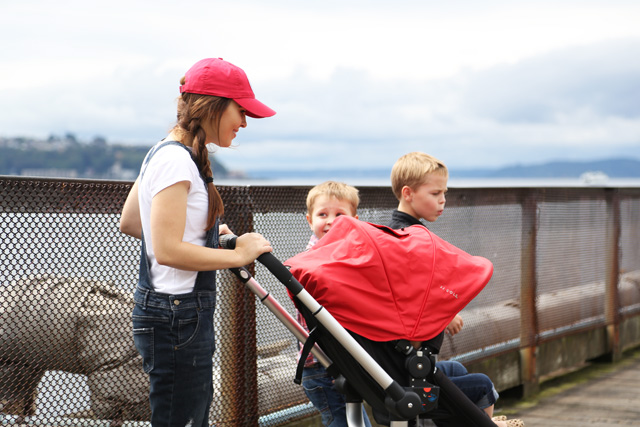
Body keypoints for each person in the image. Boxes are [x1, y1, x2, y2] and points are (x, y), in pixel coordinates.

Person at [119, 58, 275, 427]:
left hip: (169, 313)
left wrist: (203, 236)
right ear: (214, 105)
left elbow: (132, 222)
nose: (245, 123)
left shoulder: (163, 151)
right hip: (178, 316)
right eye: (241, 111)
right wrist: (239, 254)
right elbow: (168, 250)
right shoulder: (177, 161)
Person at [388, 151, 524, 427]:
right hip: (409, 368)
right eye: (435, 193)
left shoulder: (393, 233)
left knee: (458, 370)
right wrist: (445, 314)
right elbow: (411, 292)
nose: (443, 201)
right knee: (483, 385)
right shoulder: (411, 238)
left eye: (445, 193)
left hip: (402, 361)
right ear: (408, 193)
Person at [297, 181, 373, 427]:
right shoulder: (312, 260)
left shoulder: (347, 255)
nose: (330, 221)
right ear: (310, 220)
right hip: (322, 364)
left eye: (340, 215)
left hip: (340, 362)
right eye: (322, 214)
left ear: (355, 220)